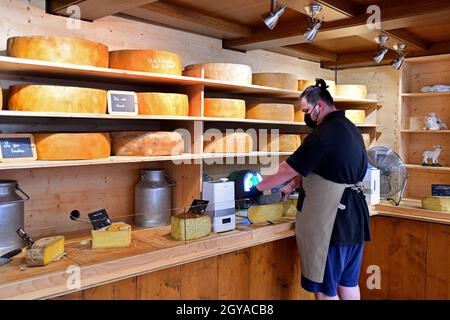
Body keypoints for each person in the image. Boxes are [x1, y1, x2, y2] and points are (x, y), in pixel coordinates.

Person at [254, 79, 371, 300]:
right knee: (348, 284)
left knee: (325, 290)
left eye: (306, 110)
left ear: (319, 106)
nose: (306, 116)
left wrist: (257, 188)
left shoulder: (323, 135)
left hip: (332, 224)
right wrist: (292, 185)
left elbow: (287, 168)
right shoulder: (350, 129)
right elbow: (325, 170)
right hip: (355, 219)